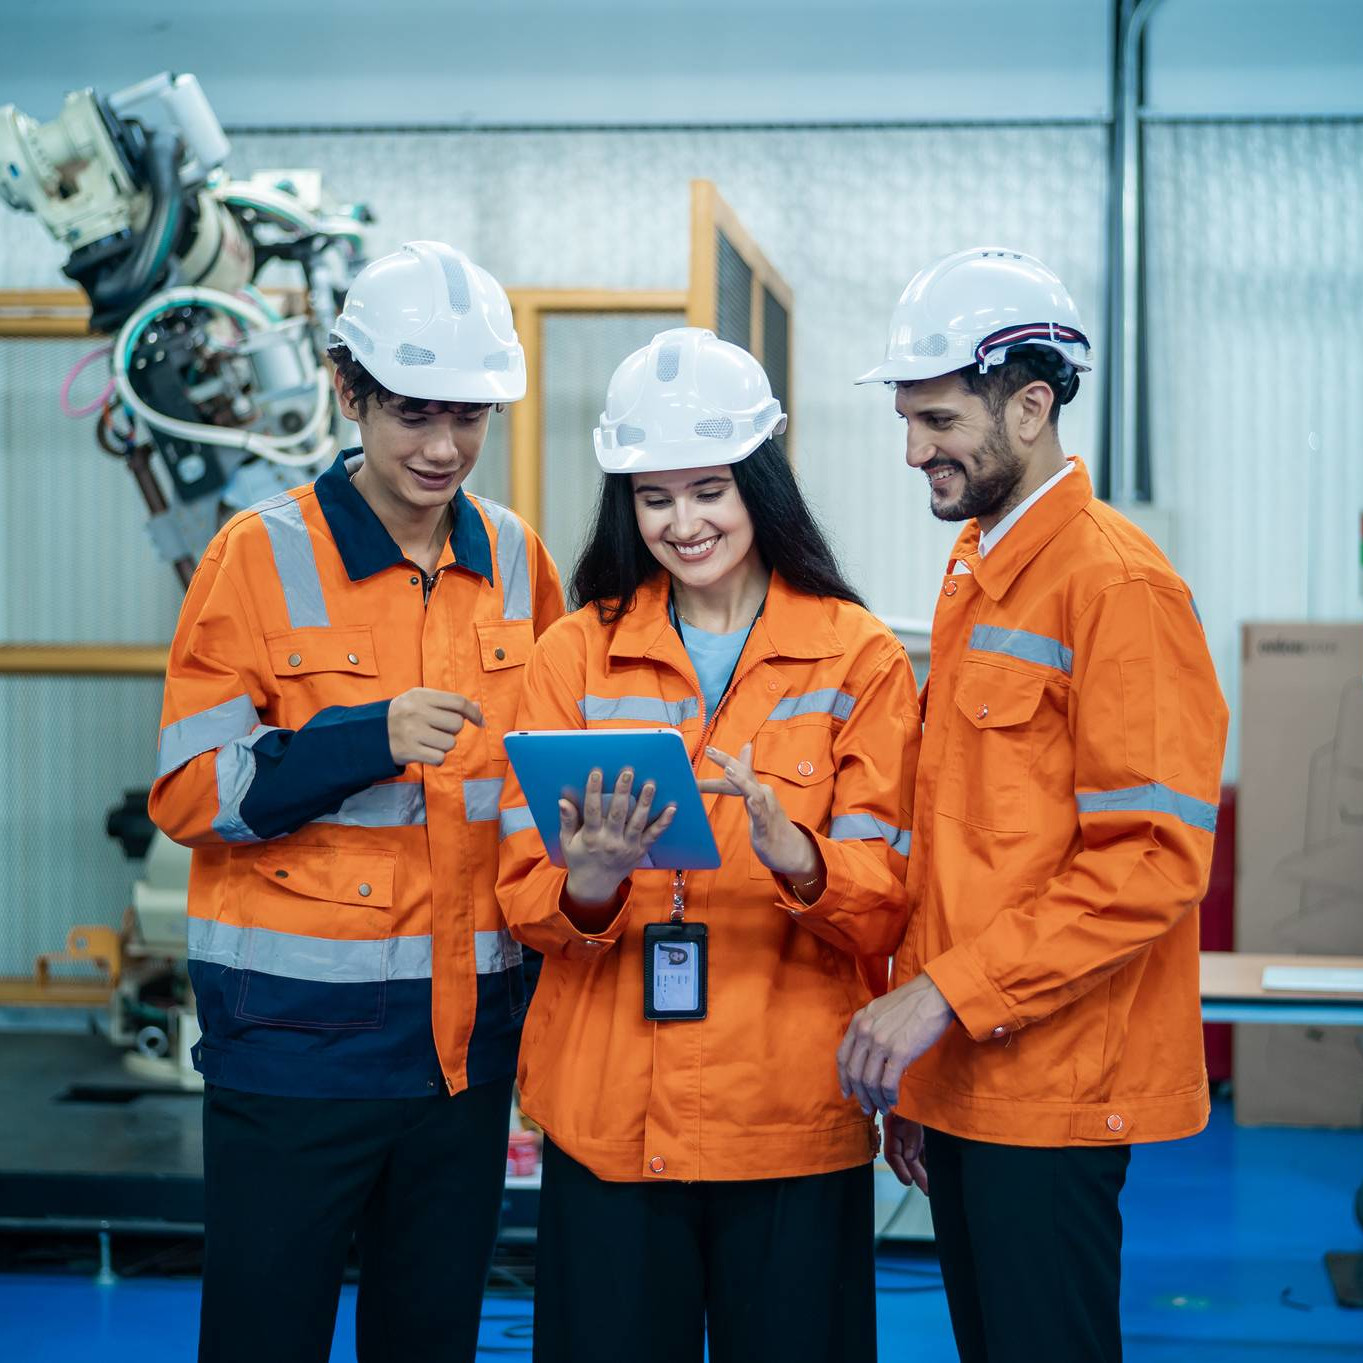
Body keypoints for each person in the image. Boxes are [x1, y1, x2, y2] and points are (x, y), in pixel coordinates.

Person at [149, 240, 564, 1363]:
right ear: (348, 390)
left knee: (428, 1340)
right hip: (291, 1052)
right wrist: (357, 739)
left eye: (468, 418)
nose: (443, 449)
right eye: (413, 415)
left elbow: (539, 777)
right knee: (262, 1337)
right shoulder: (255, 557)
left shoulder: (520, 562)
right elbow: (191, 788)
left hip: (463, 1054)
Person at [496, 326, 919, 1363]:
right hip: (609, 1119)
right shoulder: (573, 653)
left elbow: (891, 900)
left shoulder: (854, 654)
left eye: (708, 489)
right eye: (654, 497)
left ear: (759, 485)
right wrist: (588, 881)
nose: (683, 523)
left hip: (788, 1116)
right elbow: (520, 890)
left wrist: (798, 855)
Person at [839, 247, 1229, 1363]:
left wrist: (935, 1003)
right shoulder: (978, 568)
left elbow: (1147, 860)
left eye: (939, 419)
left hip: (1053, 1092)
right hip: (971, 1069)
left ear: (1030, 404)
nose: (914, 450)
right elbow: (964, 844)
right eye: (906, 420)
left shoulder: (1117, 585)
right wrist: (928, 1053)